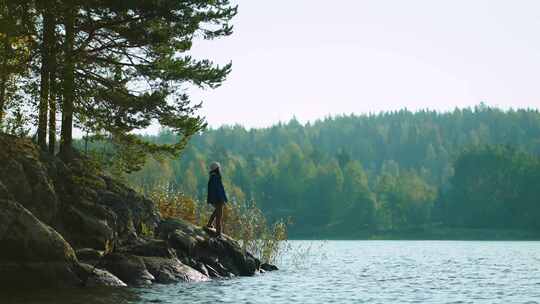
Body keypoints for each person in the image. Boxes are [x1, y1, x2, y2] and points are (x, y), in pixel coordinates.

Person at [206, 161, 228, 236]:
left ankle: (209, 224)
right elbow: (219, 190)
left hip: (216, 199)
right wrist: (222, 199)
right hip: (218, 199)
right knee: (219, 216)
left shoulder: (213, 177)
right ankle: (218, 233)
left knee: (216, 212)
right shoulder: (216, 178)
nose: (220, 169)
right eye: (219, 168)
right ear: (217, 169)